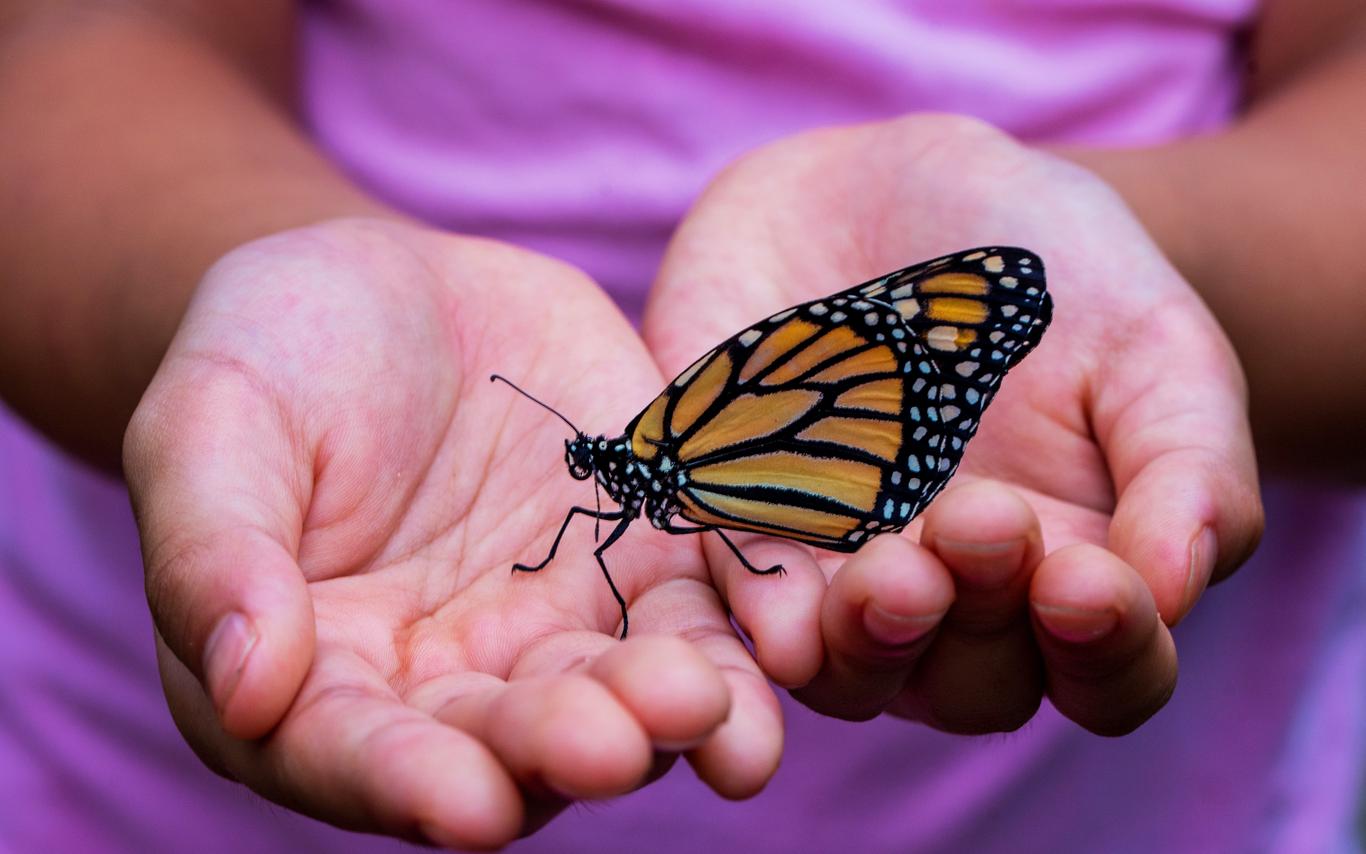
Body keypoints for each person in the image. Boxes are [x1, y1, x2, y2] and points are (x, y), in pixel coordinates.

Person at [0, 0, 1361, 850]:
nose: (595, 471)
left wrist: (1166, 265)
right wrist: (251, 284)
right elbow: (73, 42)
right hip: (145, 785)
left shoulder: (677, 442)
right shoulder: (657, 458)